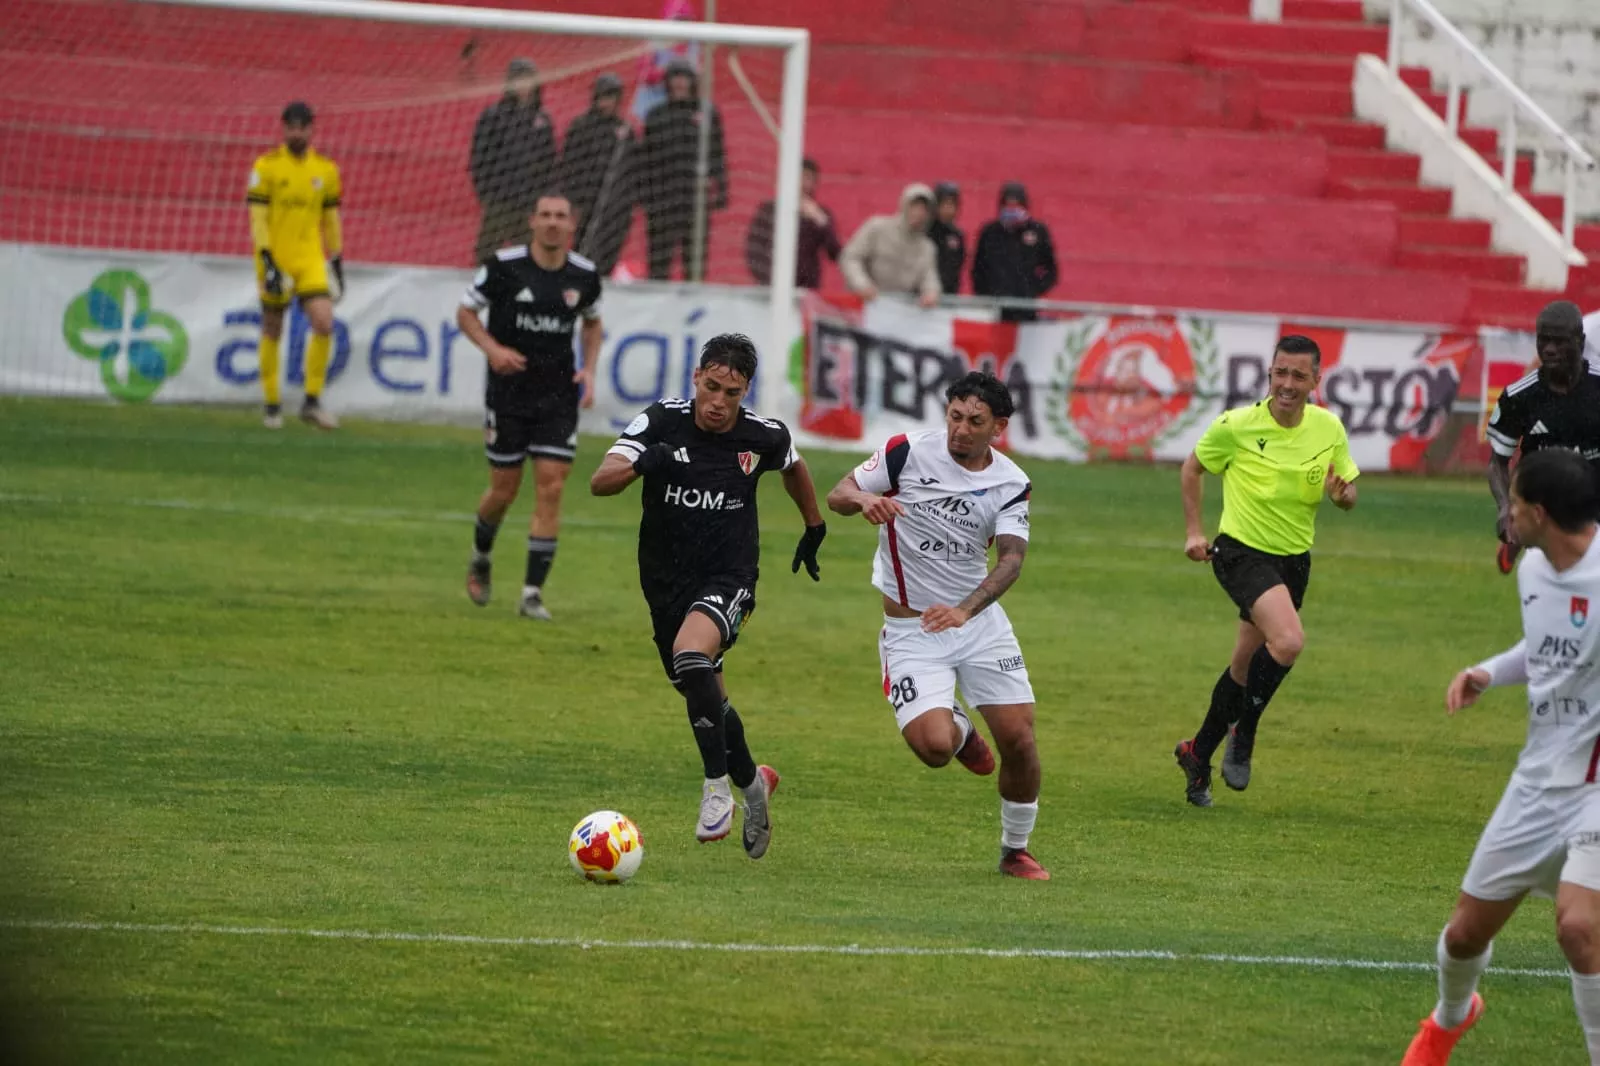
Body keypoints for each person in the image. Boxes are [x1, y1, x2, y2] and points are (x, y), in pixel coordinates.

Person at [590, 334, 827, 858]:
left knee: (692, 654)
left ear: (746, 392)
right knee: (706, 694)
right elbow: (600, 481)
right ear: (696, 377)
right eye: (712, 387)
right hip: (665, 584)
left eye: (732, 392)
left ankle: (716, 788)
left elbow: (794, 465)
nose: (719, 402)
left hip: (730, 577)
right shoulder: (660, 421)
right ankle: (753, 787)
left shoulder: (760, 435)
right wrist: (646, 462)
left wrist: (813, 526)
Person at [1399, 447, 1600, 1066]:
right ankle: (1449, 1021)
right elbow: (1546, 647)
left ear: (1538, 512)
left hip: (1595, 788)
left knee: (1577, 928)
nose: (1504, 512)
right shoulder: (1533, 569)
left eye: (1512, 502)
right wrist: (1487, 672)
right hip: (1538, 782)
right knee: (1463, 937)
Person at [825, 372, 1049, 880]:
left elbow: (1011, 560)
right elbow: (839, 492)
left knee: (1019, 738)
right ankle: (960, 727)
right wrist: (864, 501)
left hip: (978, 624)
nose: (961, 430)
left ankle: (1016, 850)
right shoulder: (906, 453)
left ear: (999, 427)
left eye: (975, 421)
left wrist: (966, 611)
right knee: (935, 748)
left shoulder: (1010, 482)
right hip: (912, 631)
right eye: (954, 416)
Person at [1174, 334, 1359, 807]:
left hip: (1293, 561)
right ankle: (1246, 731)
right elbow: (1192, 468)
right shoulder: (1237, 425)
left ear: (1318, 379)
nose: (1288, 384)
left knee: (1243, 668)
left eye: (1299, 375)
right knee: (1289, 642)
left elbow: (1347, 492)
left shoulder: (1328, 429)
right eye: (1281, 373)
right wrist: (1195, 532)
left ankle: (1197, 753)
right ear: (1269, 373)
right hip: (1239, 553)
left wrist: (1342, 498)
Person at [456, 193, 601, 621]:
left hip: (558, 397)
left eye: (560, 216)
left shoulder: (585, 275)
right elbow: (465, 313)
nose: (553, 223)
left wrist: (589, 370)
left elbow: (593, 322)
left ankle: (532, 594)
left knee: (551, 487)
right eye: (545, 216)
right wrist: (492, 349)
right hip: (508, 395)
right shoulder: (503, 267)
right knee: (503, 490)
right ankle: (481, 554)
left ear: (571, 224)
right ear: (532, 221)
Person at [246, 100, 343, 430]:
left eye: (302, 127)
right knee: (273, 327)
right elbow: (258, 218)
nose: (296, 132)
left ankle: (311, 402)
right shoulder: (267, 167)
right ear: (283, 129)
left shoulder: (326, 170)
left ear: (311, 129)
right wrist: (266, 257)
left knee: (324, 321)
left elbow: (330, 218)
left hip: (311, 260)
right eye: (291, 127)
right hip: (276, 259)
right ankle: (272, 404)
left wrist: (338, 257)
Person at [1486, 301, 1599, 576]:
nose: (1549, 349)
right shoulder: (1519, 397)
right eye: (1543, 340)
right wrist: (1505, 508)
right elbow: (1497, 462)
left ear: (1580, 342)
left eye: (1559, 342)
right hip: (1544, 517)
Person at [637, 58, 727, 281]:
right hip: (662, 199)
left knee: (694, 261)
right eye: (674, 78)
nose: (679, 83)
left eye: (683, 78)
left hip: (695, 199)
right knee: (659, 261)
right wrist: (643, 196)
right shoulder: (655, 115)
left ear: (692, 82)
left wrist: (722, 188)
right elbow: (645, 158)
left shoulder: (707, 112)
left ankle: (693, 309)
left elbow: (718, 153)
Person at [469, 58, 558, 264]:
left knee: (530, 258)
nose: (524, 86)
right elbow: (480, 157)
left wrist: (542, 195)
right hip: (499, 200)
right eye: (519, 81)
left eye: (528, 81)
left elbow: (549, 160)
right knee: (487, 256)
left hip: (529, 202)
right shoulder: (493, 116)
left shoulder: (542, 119)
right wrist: (486, 192)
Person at [560, 72, 635, 277]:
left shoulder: (625, 130)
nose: (606, 103)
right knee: (582, 251)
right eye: (603, 97)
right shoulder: (580, 126)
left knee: (609, 253)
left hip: (616, 208)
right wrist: (572, 201)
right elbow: (569, 166)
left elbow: (631, 170)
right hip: (586, 202)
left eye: (611, 97)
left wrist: (626, 204)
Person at [838, 183, 942, 308]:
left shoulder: (927, 248)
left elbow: (929, 277)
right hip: (862, 305)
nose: (919, 213)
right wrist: (862, 284)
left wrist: (931, 293)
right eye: (914, 206)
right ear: (904, 205)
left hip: (897, 312)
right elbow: (850, 258)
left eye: (924, 209)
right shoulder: (876, 227)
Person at [743, 158, 842, 289]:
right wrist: (767, 280)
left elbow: (835, 253)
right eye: (799, 177)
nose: (803, 184)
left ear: (815, 184)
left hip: (806, 290)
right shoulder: (769, 210)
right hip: (770, 289)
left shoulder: (821, 214)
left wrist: (821, 221)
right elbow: (753, 250)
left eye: (808, 179)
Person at [971, 182, 1057, 324]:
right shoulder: (989, 232)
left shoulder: (1038, 231)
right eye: (1008, 205)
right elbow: (977, 268)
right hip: (994, 308)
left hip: (1025, 308)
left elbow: (1051, 269)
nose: (1012, 210)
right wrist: (985, 294)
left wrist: (1033, 289)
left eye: (1016, 205)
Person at [630, 0, 701, 126]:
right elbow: (643, 75)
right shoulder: (655, 41)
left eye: (685, 21)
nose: (682, 25)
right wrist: (668, 73)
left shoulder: (693, 44)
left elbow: (697, 76)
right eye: (678, 20)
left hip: (679, 106)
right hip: (651, 104)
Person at [927, 181, 966, 296]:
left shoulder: (957, 236)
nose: (948, 210)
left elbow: (957, 269)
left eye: (952, 205)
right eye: (944, 204)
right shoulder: (924, 232)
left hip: (947, 298)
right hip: (922, 297)